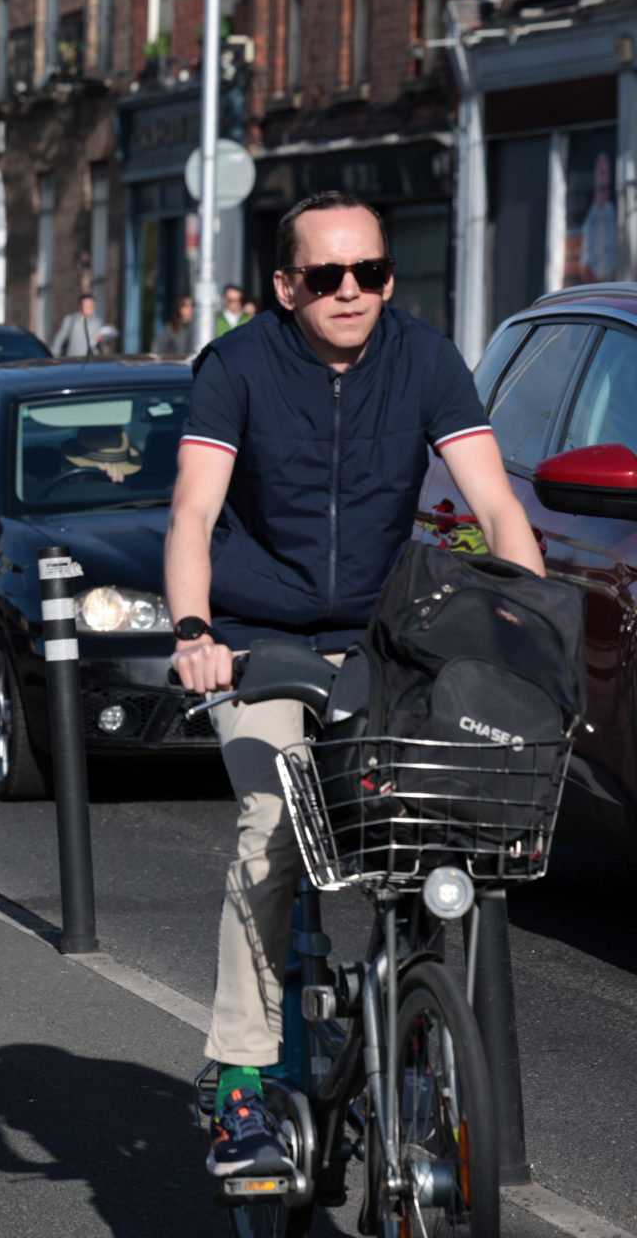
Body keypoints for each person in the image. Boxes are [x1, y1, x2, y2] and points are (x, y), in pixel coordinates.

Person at [166, 190, 542, 1180]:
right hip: (256, 641)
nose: (351, 292)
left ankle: (417, 1025)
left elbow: (497, 505)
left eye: (369, 272)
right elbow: (194, 515)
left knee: (431, 822)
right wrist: (196, 630)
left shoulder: (424, 359)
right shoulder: (237, 367)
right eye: (326, 276)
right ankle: (241, 1081)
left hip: (378, 639)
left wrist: (527, 634)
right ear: (286, 284)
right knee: (272, 824)